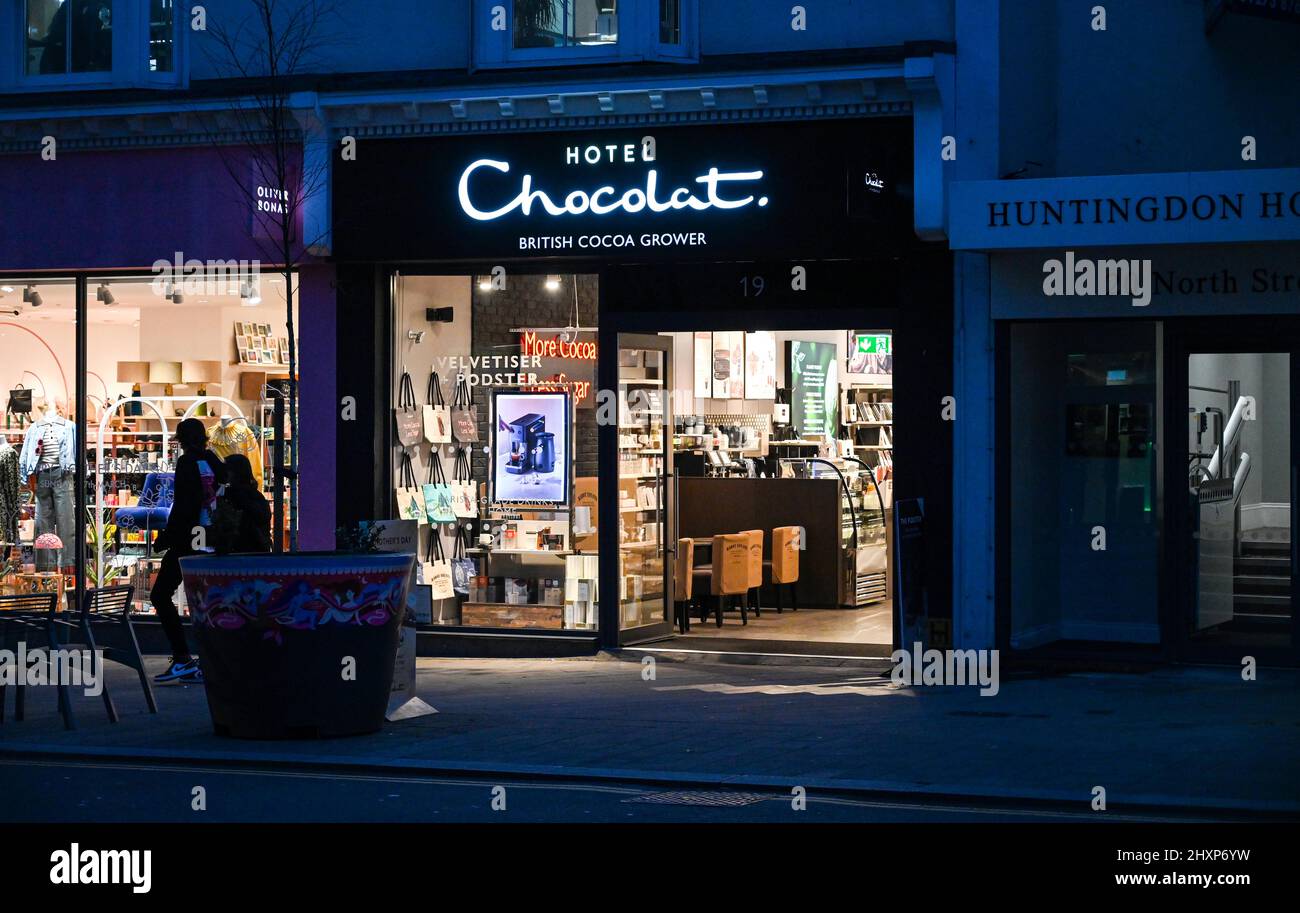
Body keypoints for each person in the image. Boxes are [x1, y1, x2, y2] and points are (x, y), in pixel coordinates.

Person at [151, 418, 227, 684]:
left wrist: (167, 537)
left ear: (181, 440)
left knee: (160, 594)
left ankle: (182, 657)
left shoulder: (186, 463)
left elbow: (184, 504)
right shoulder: (212, 461)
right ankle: (212, 660)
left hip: (187, 538)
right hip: (209, 535)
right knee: (205, 599)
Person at [214, 454, 272, 554]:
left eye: (227, 469)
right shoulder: (255, 495)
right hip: (256, 551)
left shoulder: (234, 495)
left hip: (243, 550)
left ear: (234, 472)